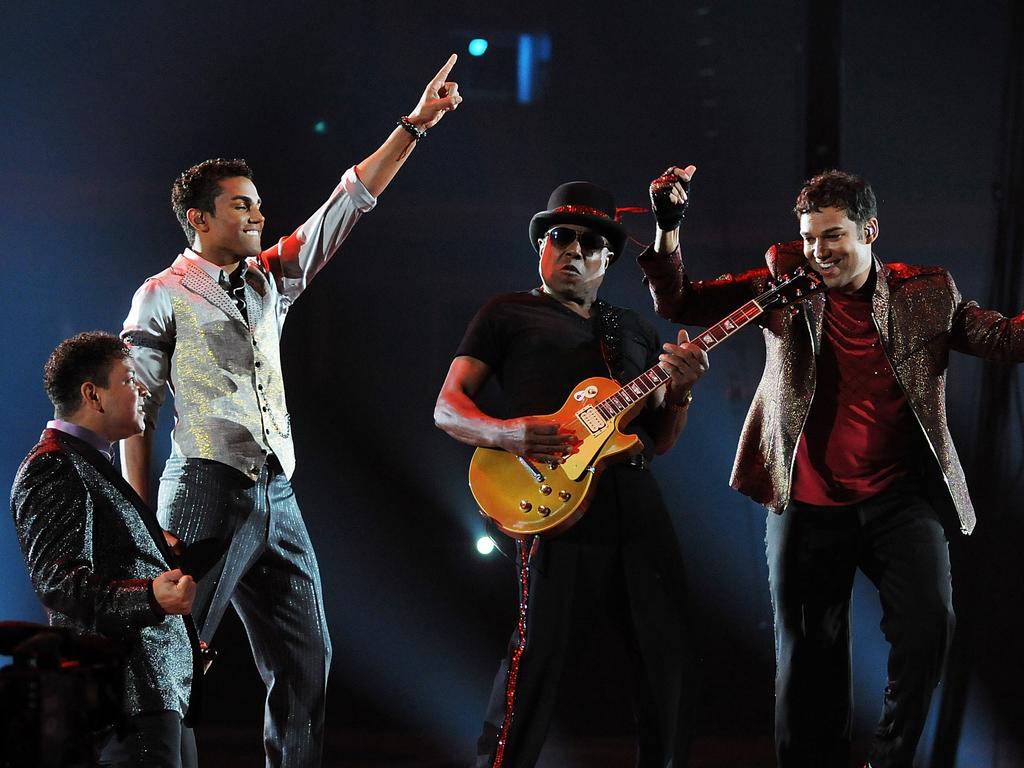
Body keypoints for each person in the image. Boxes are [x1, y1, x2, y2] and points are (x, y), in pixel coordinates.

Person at [119, 55, 462, 766]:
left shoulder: (271, 277)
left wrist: (415, 125)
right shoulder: (162, 293)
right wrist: (143, 523)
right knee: (173, 658)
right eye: (241, 204)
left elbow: (347, 203)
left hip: (278, 491)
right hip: (204, 489)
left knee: (308, 661)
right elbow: (138, 409)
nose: (257, 213)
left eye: (257, 203)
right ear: (198, 218)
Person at [638, 167, 1024, 767]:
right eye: (812, 237)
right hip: (807, 497)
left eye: (835, 236)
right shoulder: (784, 285)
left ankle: (890, 759)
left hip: (898, 497)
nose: (821, 251)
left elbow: (1004, 339)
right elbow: (681, 301)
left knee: (929, 626)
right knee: (808, 660)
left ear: (870, 231)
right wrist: (667, 229)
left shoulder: (926, 292)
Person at [434, 180, 708, 767]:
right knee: (537, 656)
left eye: (591, 242)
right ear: (542, 245)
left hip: (632, 499)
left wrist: (680, 395)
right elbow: (447, 406)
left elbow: (658, 440)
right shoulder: (507, 312)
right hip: (550, 504)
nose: (574, 250)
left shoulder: (633, 329)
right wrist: (507, 432)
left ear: (609, 258)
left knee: (666, 656)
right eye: (562, 236)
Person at [11, 331, 200, 768]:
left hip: (159, 693)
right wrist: (153, 597)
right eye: (130, 379)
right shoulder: (54, 466)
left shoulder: (90, 464)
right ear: (92, 395)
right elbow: (60, 583)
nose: (144, 390)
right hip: (126, 703)